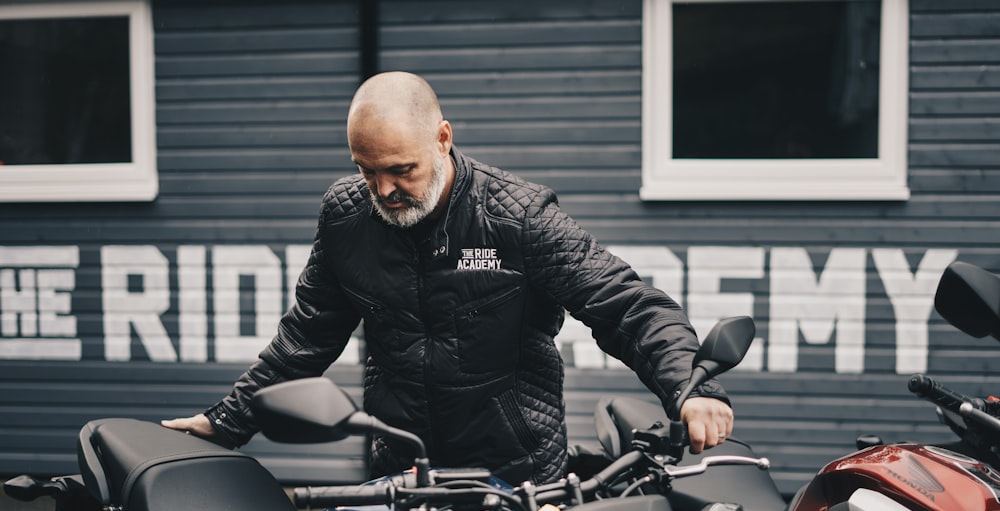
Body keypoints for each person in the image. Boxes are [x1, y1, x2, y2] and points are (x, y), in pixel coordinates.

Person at [162, 71, 733, 485]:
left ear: (442, 138)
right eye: (367, 171)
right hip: (405, 472)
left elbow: (626, 305)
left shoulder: (516, 216)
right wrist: (226, 422)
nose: (383, 190)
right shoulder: (346, 217)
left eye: (401, 169)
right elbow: (305, 338)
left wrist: (692, 389)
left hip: (519, 478)